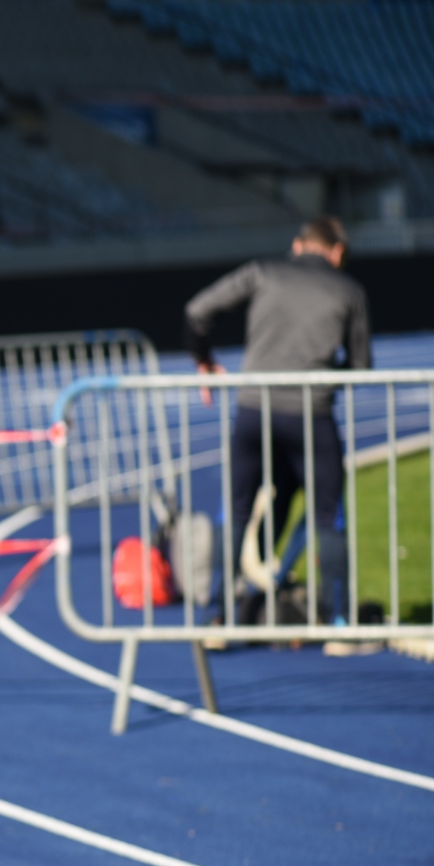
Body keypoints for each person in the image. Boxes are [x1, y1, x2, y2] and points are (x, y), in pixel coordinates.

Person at [185, 215, 370, 624]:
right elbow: (360, 366)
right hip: (311, 415)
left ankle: (219, 618)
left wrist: (204, 361)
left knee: (236, 511)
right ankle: (339, 625)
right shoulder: (349, 289)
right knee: (329, 516)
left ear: (298, 245)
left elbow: (196, 311)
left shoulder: (263, 271)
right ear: (337, 251)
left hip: (254, 410)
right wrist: (324, 377)